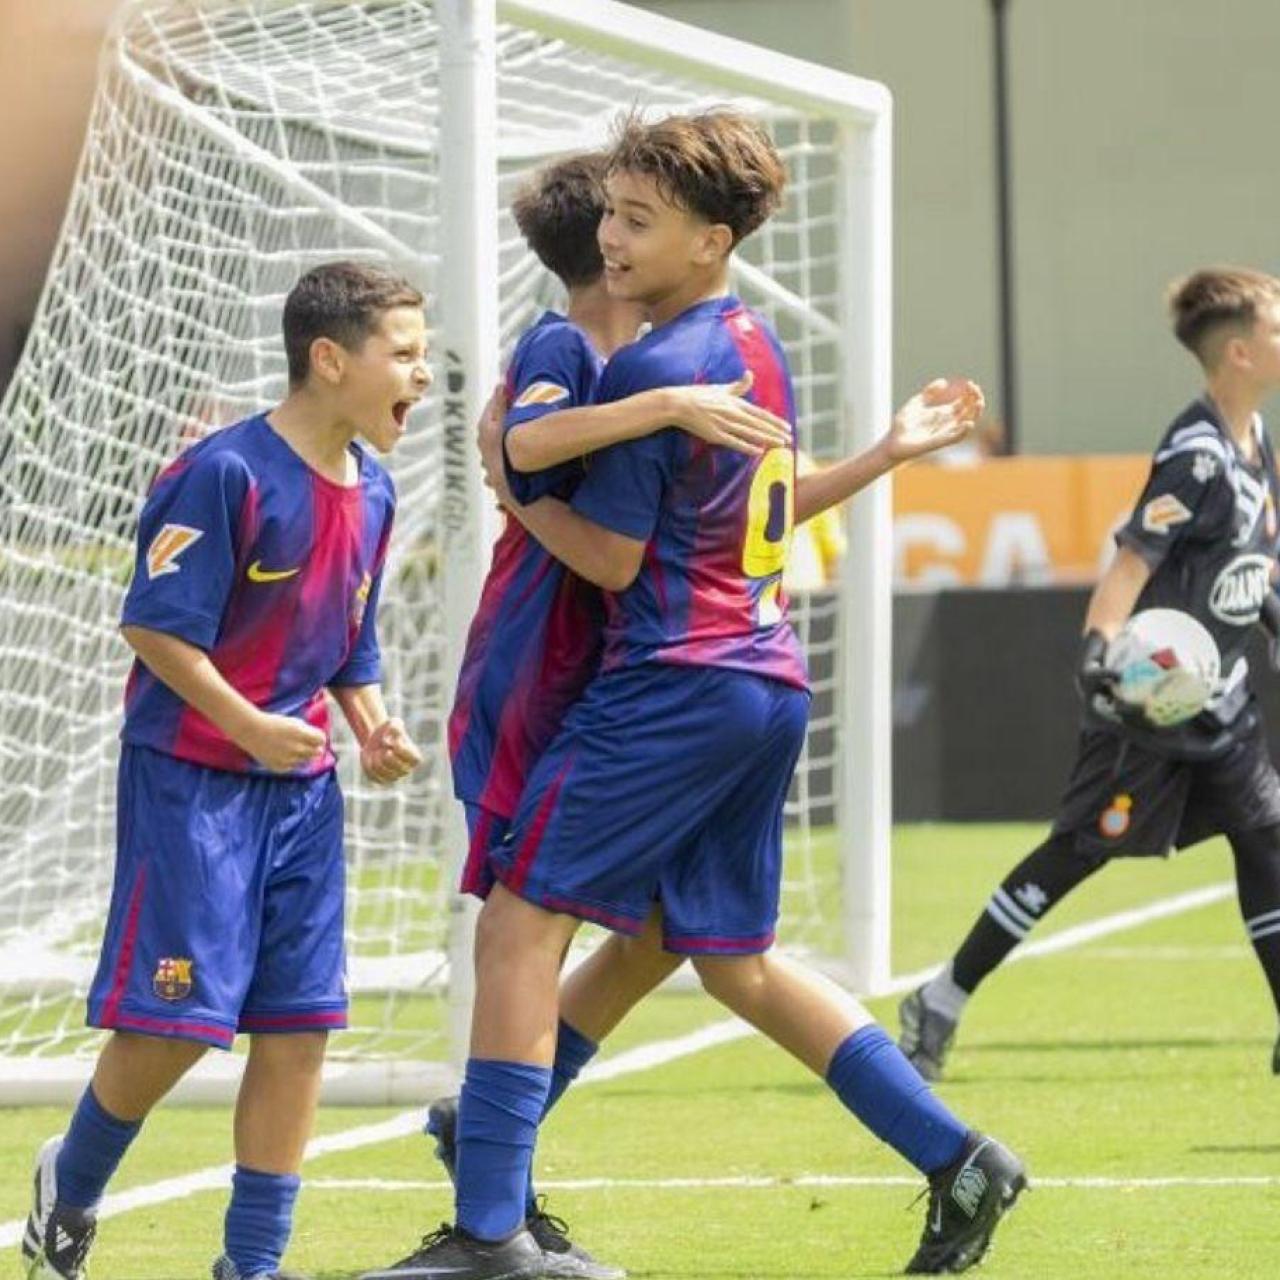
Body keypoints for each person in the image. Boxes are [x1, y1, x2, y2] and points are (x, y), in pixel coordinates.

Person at [363, 110, 1023, 1280]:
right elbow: (743, 518)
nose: (613, 239)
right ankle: (957, 1155)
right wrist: (878, 455)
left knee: (517, 924)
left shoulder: (650, 364)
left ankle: (488, 1234)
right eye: (610, 216)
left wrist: (511, 484)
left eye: (638, 220)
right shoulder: (750, 344)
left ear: (710, 240)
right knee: (717, 956)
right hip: (761, 676)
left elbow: (614, 559)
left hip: (672, 681)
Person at [22, 261, 427, 1280]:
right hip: (191, 784)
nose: (422, 376)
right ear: (329, 359)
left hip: (302, 800)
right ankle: (70, 1184)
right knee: (176, 1025)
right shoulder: (224, 472)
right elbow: (155, 628)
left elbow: (351, 644)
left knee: (299, 1029)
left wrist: (371, 725)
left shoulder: (376, 488)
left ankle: (251, 1264)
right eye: (405, 355)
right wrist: (248, 725)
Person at [899, 267, 1280, 1084]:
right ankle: (942, 996)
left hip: (1225, 703)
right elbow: (1132, 561)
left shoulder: (1258, 442)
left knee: (1267, 840)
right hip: (1153, 708)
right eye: (1277, 327)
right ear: (1241, 353)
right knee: (1078, 851)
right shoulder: (1197, 457)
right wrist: (1100, 651)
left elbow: (1250, 565)